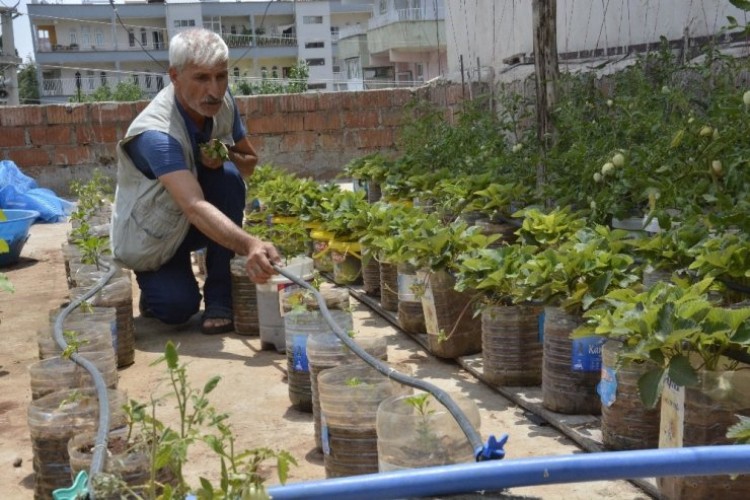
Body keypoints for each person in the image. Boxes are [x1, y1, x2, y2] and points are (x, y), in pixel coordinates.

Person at [110, 28, 281, 335]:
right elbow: (193, 205)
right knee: (177, 310)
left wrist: (224, 153)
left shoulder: (222, 103)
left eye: (221, 76)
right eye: (201, 78)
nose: (214, 90)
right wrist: (250, 243)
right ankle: (154, 287)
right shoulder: (157, 135)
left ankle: (220, 299)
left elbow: (250, 163)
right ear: (175, 76)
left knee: (227, 178)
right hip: (154, 235)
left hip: (191, 224)